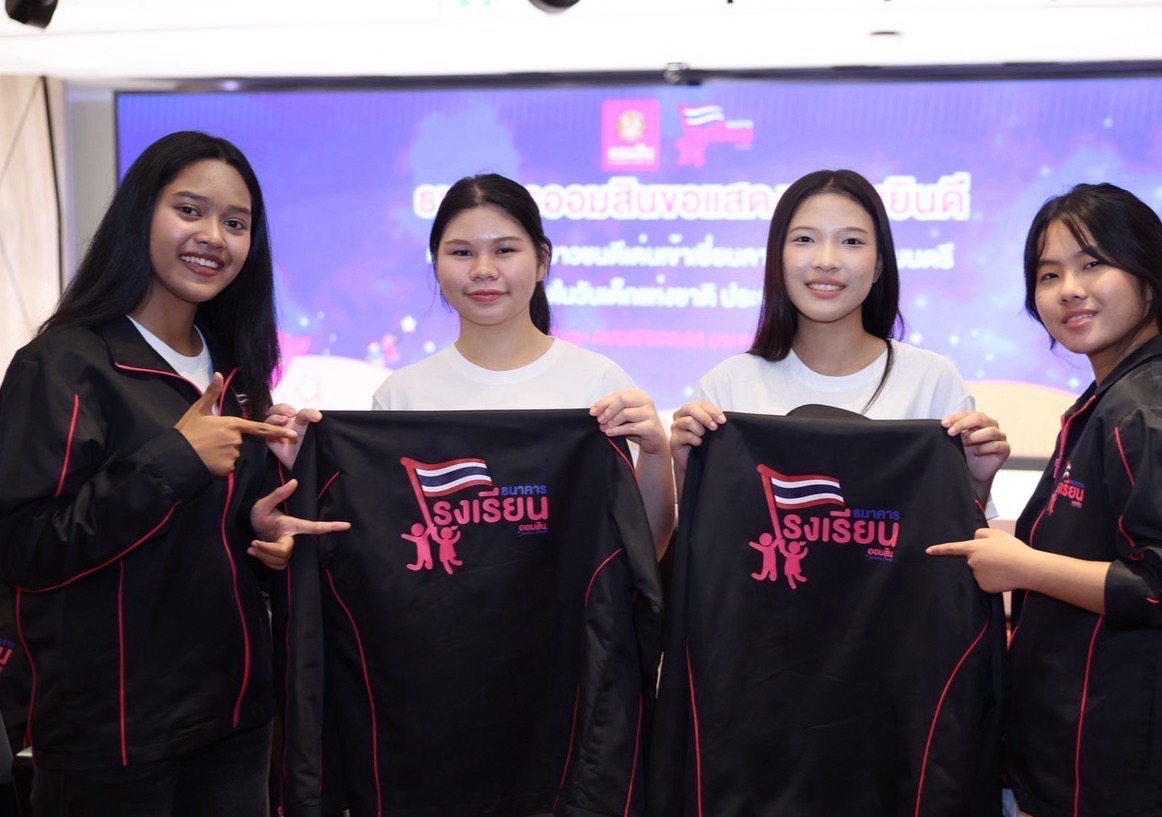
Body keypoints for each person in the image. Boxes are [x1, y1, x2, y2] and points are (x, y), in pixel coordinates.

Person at [0, 130, 348, 817]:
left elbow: (207, 539)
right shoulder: (63, 364)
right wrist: (174, 461)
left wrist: (262, 533)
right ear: (141, 215)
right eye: (190, 210)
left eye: (236, 223)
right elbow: (22, 548)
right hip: (113, 738)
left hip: (235, 722)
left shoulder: (236, 368)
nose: (213, 237)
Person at [927, 183, 1162, 817]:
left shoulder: (1146, 416)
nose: (1069, 290)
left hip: (1123, 784)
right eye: (1049, 275)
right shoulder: (1108, 404)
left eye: (1093, 264)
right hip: (1073, 768)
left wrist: (1026, 567)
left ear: (1153, 279)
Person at [372, 172, 675, 556]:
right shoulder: (401, 395)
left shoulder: (600, 382)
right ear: (436, 265)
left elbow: (646, 548)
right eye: (462, 253)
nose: (483, 269)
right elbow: (387, 543)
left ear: (542, 261)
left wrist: (656, 453)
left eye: (504, 250)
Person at [670, 168, 1009, 498]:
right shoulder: (726, 387)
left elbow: (953, 527)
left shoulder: (933, 382)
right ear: (777, 257)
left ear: (879, 264)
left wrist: (978, 483)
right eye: (805, 239)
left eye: (851, 241)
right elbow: (710, 529)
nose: (827, 260)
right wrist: (687, 470)